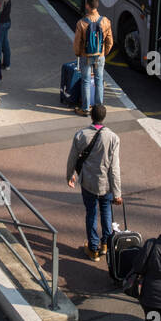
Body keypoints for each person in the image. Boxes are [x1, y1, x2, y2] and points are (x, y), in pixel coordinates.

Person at [65, 105, 122, 261]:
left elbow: (72, 158)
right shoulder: (113, 138)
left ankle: (93, 248)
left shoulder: (81, 135)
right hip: (106, 185)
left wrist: (69, 175)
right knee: (106, 212)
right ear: (104, 117)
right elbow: (115, 168)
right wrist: (117, 193)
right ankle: (106, 244)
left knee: (91, 213)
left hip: (88, 182)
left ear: (91, 116)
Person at [72, 0, 113, 115]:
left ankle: (85, 109)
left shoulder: (81, 23)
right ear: (97, 6)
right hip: (100, 56)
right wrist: (104, 53)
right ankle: (98, 108)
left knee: (85, 81)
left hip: (86, 56)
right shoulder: (105, 21)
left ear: (87, 6)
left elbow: (77, 42)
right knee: (99, 80)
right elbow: (110, 41)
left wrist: (78, 53)